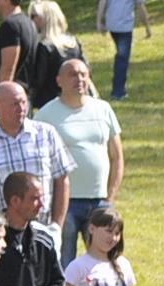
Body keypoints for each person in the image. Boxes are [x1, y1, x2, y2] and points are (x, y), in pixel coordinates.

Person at [31, 60, 115, 266]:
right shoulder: (46, 114)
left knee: (103, 264)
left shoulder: (103, 109)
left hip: (99, 200)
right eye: (72, 74)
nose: (79, 79)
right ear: (58, 80)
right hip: (65, 203)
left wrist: (110, 197)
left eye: (84, 75)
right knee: (63, 263)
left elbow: (117, 156)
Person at [0, 83, 71, 242]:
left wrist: (56, 226)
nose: (21, 108)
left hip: (44, 230)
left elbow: (62, 180)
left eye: (24, 102)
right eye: (15, 104)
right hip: (2, 236)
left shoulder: (46, 134)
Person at [97, 0, 149, 102]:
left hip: (112, 24)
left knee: (121, 56)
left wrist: (99, 21)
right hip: (124, 27)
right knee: (122, 58)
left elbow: (102, 2)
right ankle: (118, 92)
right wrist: (147, 26)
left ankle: (119, 88)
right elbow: (141, 6)